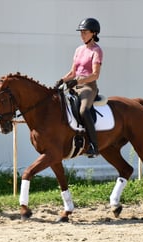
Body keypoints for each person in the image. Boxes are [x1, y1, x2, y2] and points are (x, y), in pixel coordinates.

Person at [57, 17, 103, 158]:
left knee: (83, 110)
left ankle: (94, 145)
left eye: (85, 32)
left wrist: (78, 81)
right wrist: (61, 80)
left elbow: (95, 75)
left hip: (88, 87)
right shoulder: (78, 50)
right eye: (81, 32)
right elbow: (72, 73)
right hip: (74, 86)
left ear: (94, 33)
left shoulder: (97, 50)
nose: (82, 35)